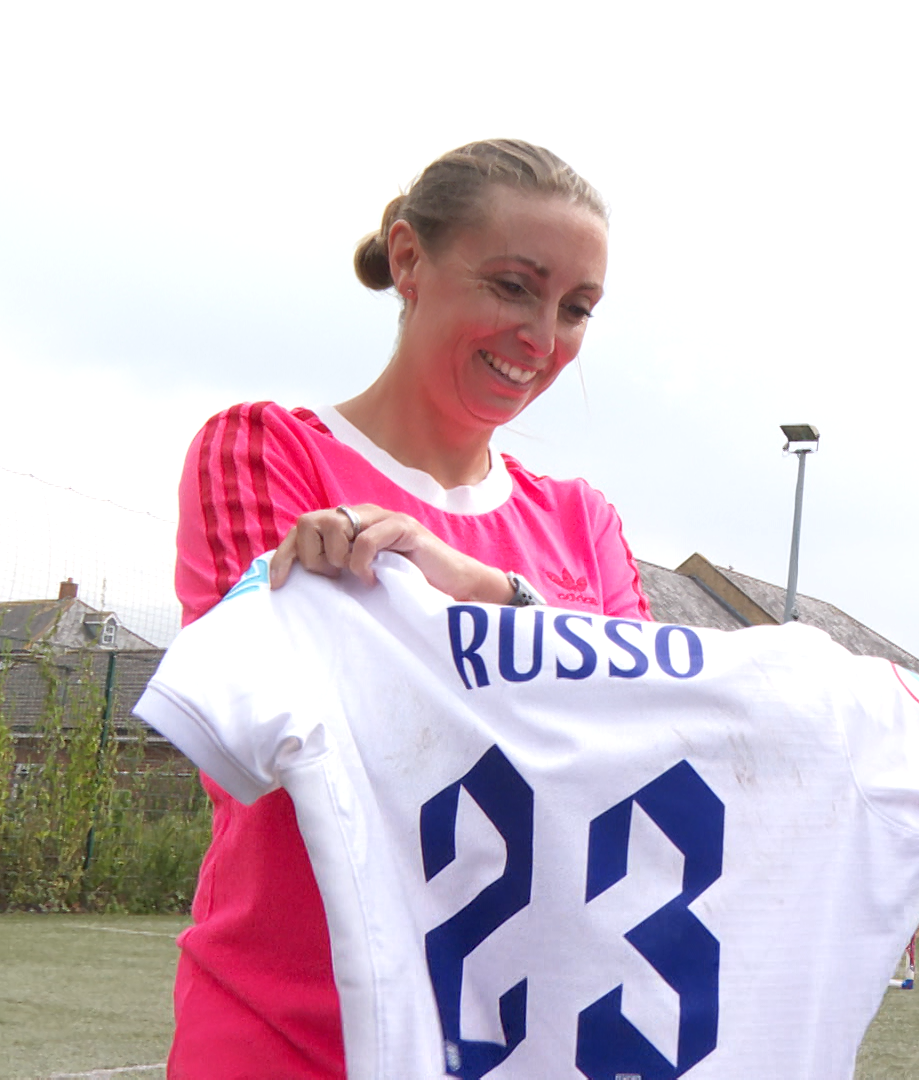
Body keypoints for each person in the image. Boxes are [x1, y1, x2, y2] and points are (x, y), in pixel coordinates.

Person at [170, 139, 649, 1079]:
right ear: (408, 260)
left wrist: (486, 590)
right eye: (514, 286)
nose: (544, 338)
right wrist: (536, 654)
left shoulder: (582, 522)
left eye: (577, 309)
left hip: (523, 1047)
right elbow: (274, 739)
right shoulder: (265, 451)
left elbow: (636, 751)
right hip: (288, 1037)